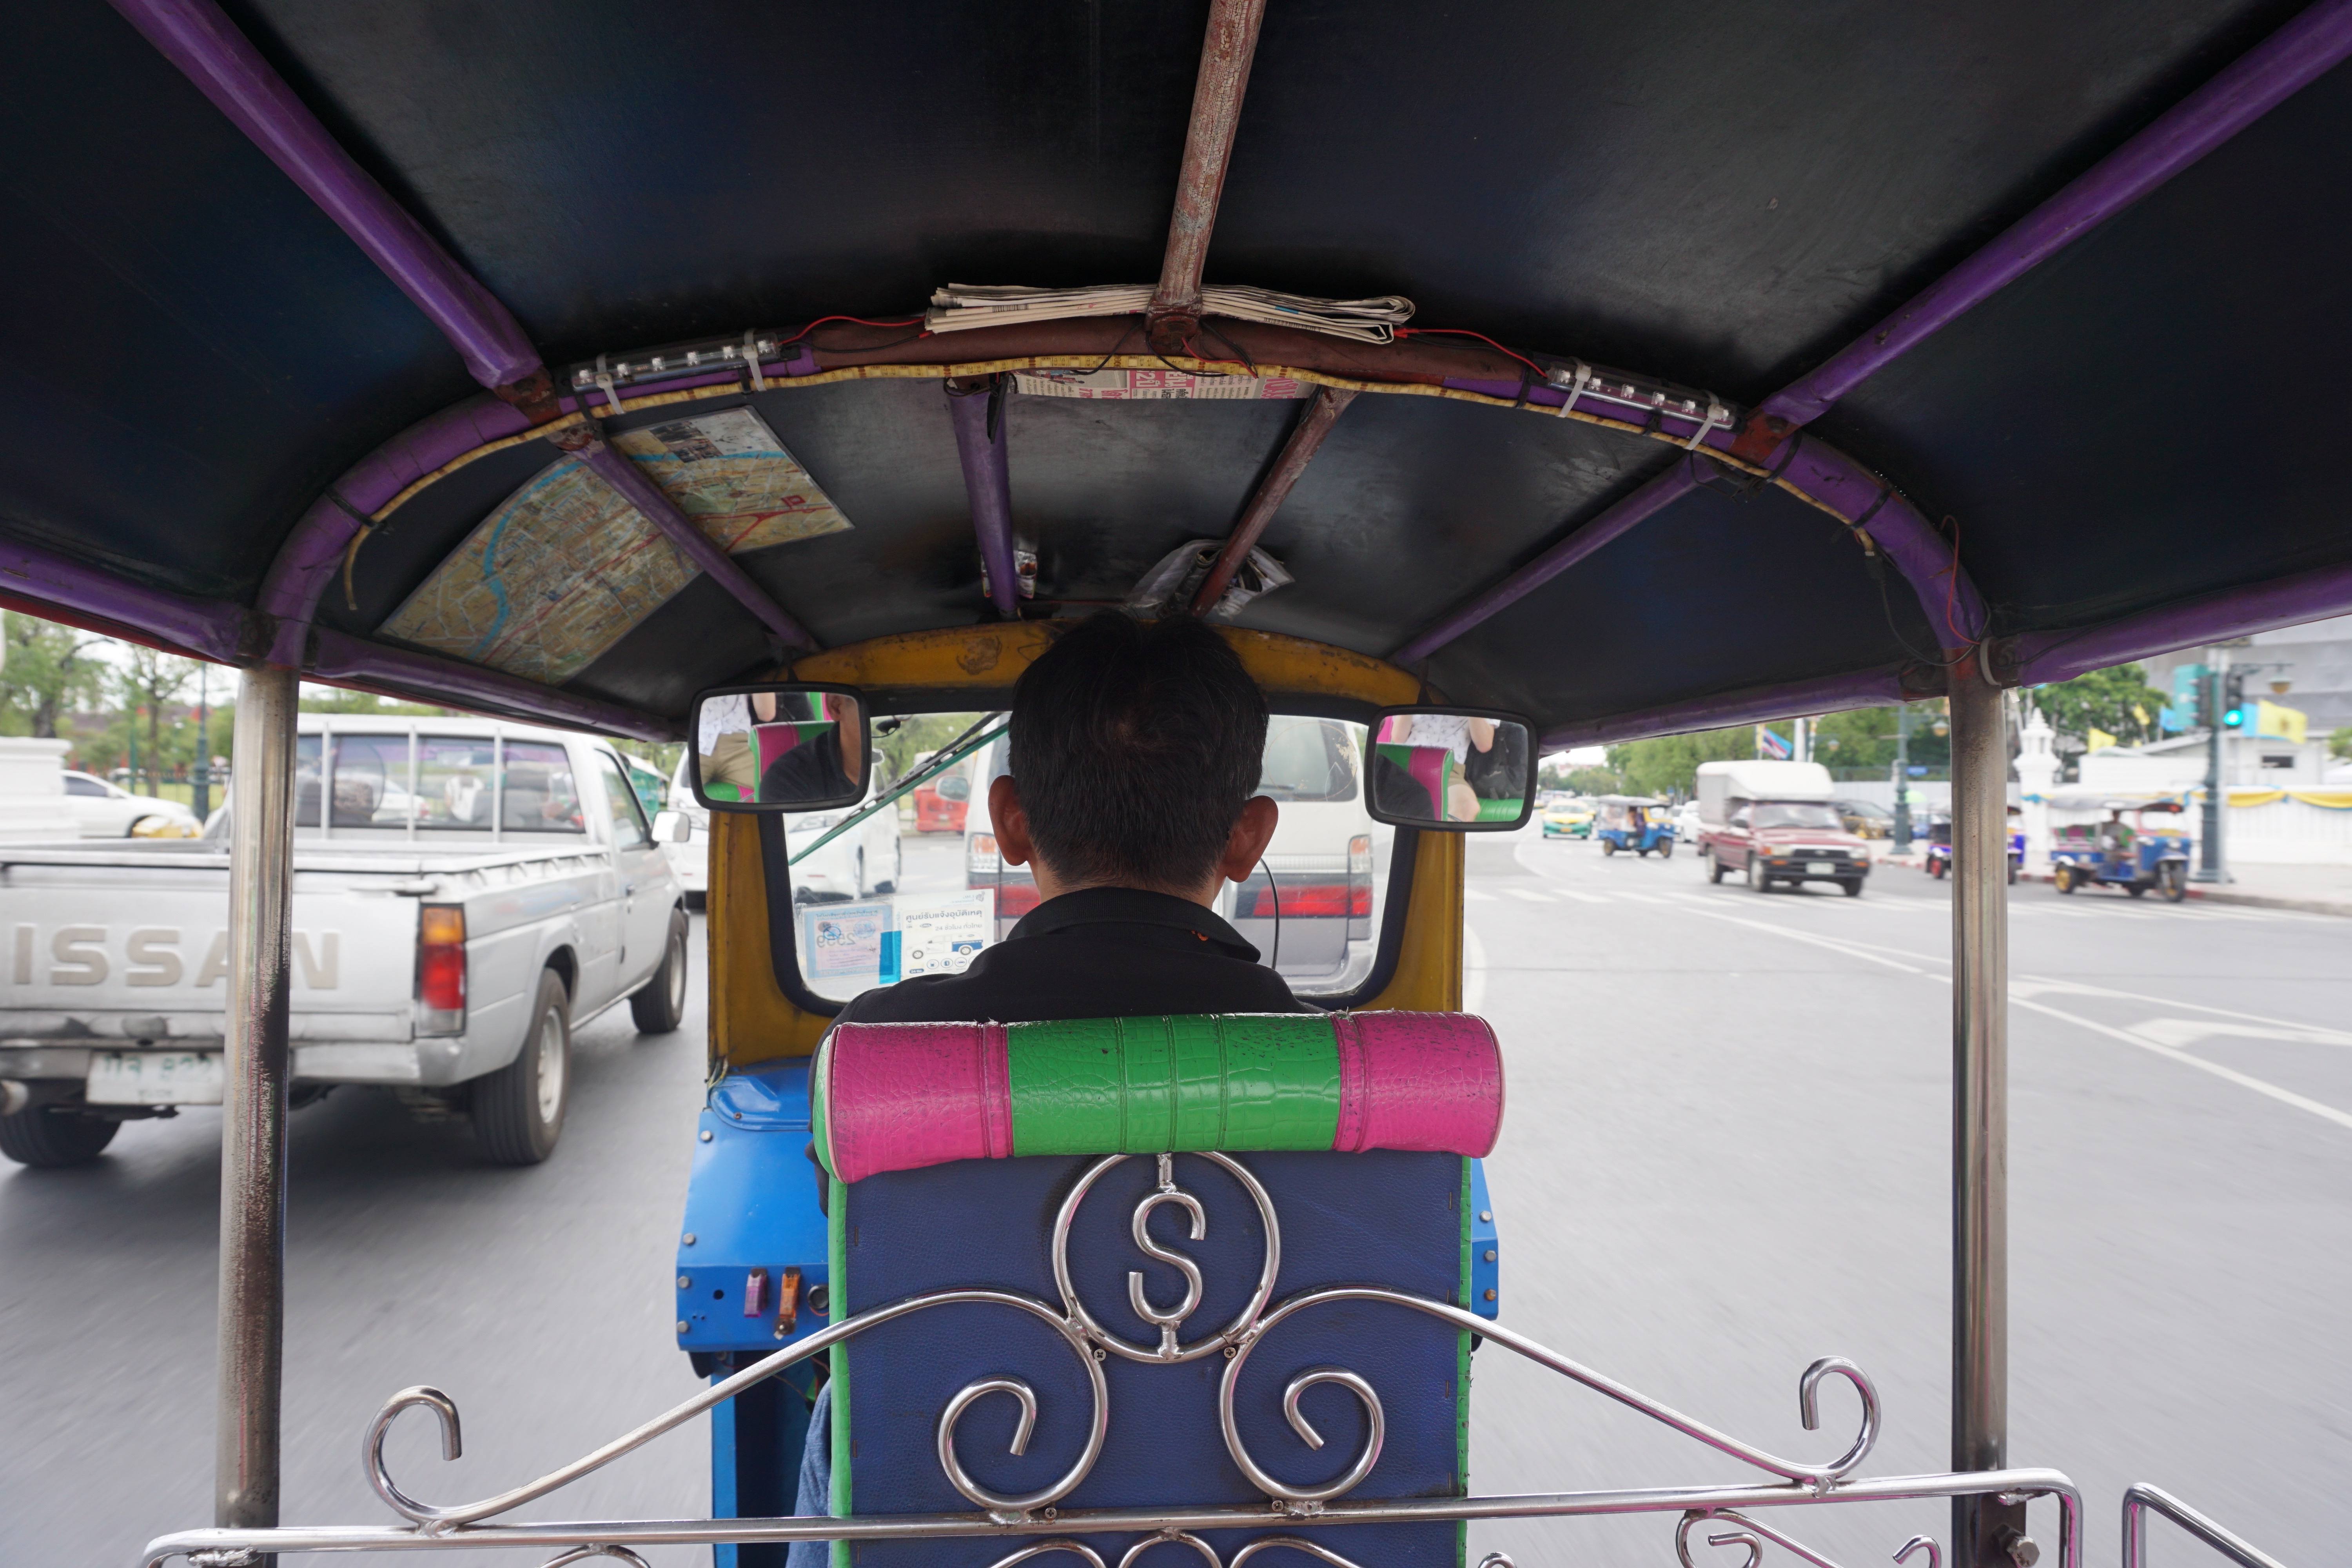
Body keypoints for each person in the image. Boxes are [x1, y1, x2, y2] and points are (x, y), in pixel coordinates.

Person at [786, 612, 1298, 1561]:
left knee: (840, 1406)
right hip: (1275, 1507)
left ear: (1012, 820)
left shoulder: (880, 1056)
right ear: (1247, 837)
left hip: (971, 1495)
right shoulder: (1359, 1084)